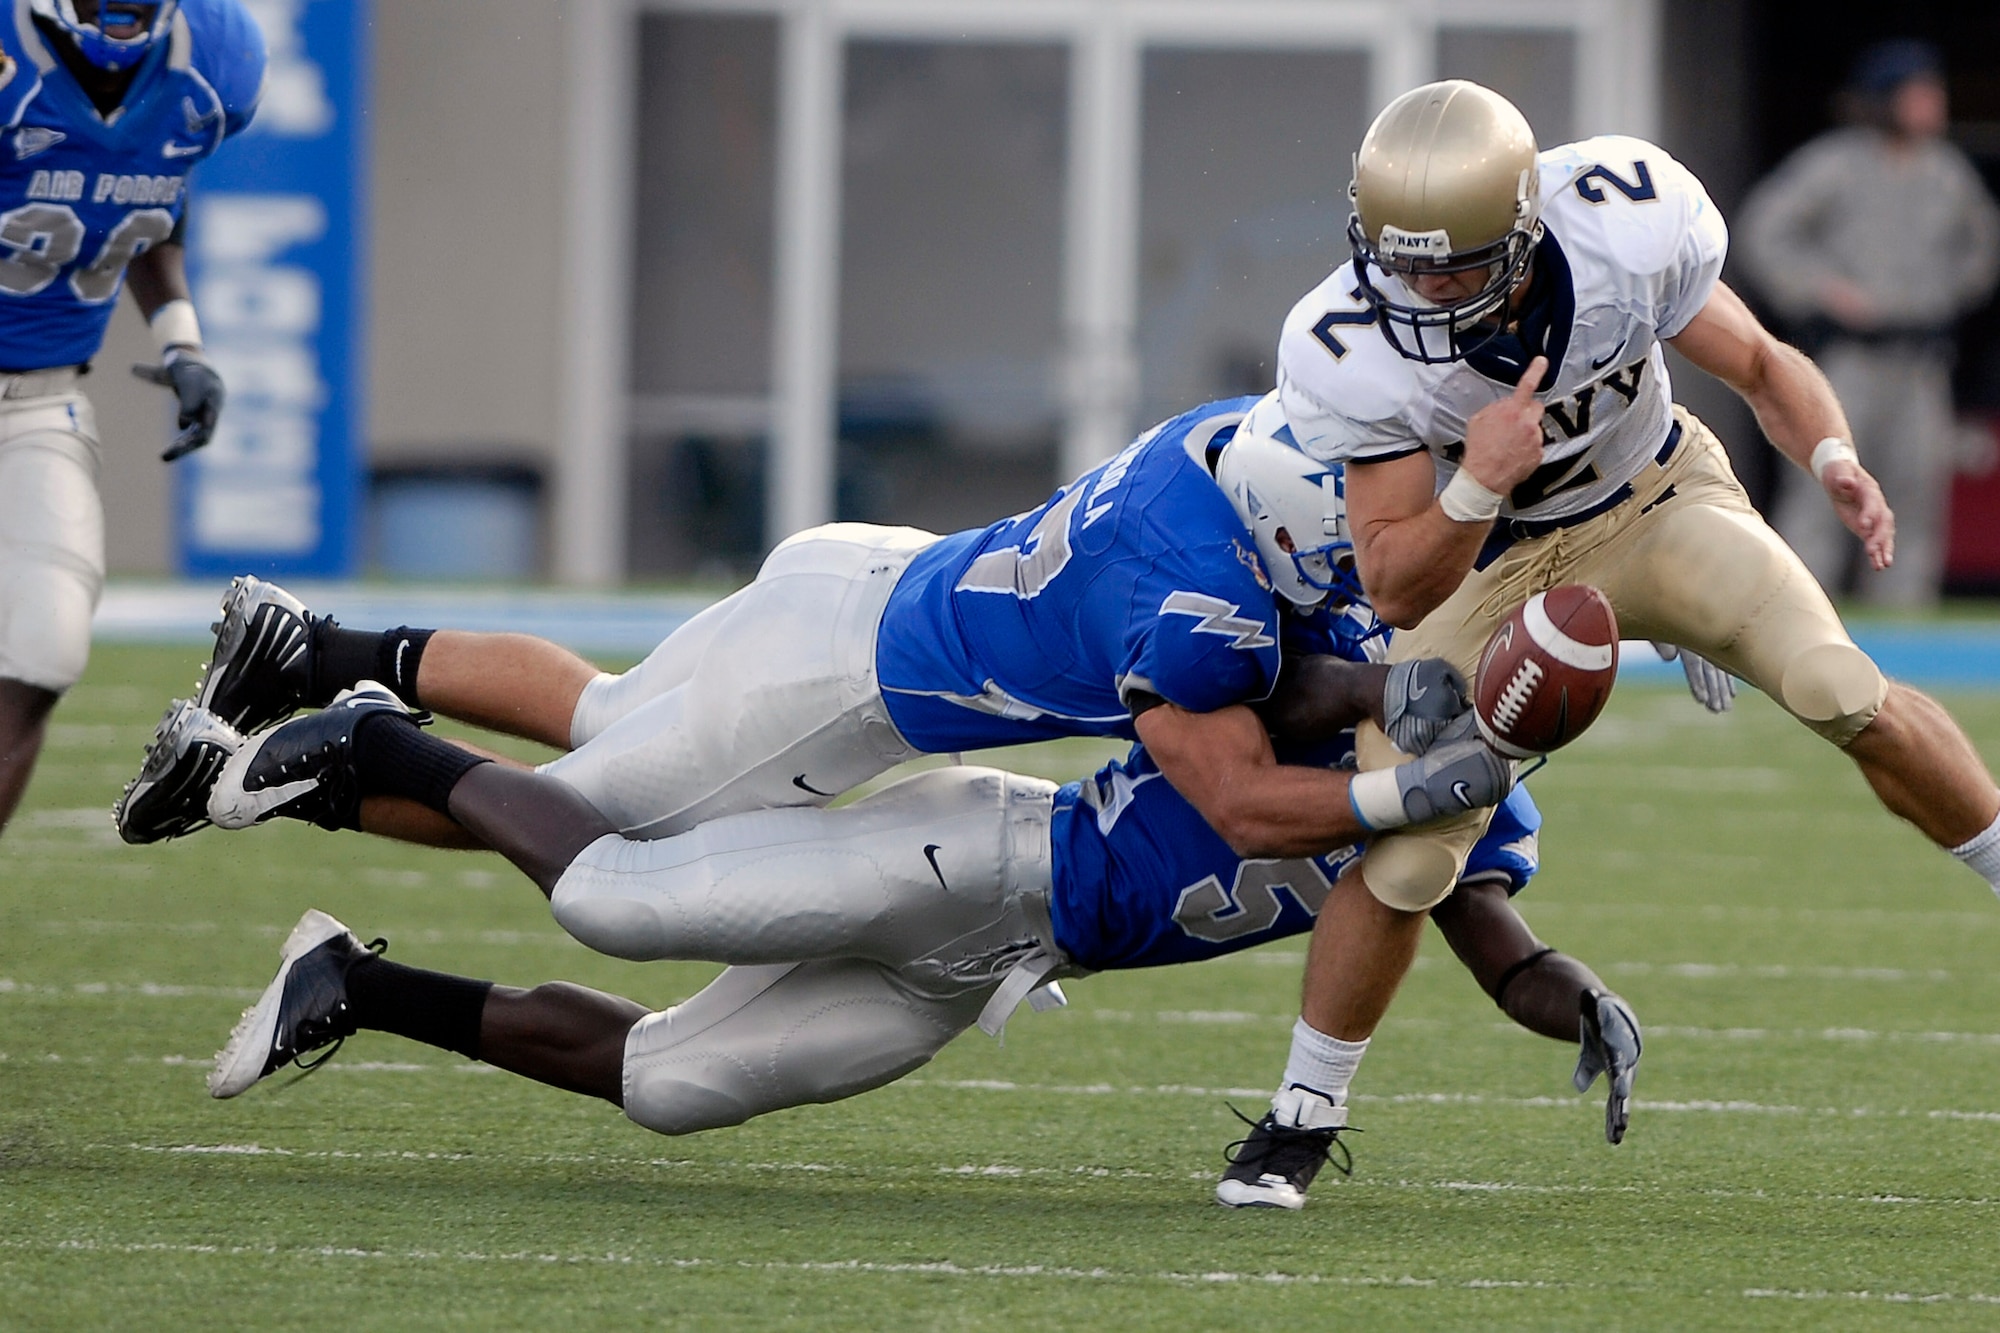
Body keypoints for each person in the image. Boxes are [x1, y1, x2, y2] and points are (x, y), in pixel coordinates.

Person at [1214, 78, 2000, 1210]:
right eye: (1405, 262)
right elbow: (1392, 581)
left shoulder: (1624, 222)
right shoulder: (1347, 343)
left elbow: (1765, 365)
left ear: (1527, 228)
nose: (1425, 289)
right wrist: (1480, 477)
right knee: (1410, 844)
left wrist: (1831, 459)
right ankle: (1300, 1116)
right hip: (1491, 564)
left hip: (1660, 502)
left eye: (1456, 264)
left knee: (1838, 684)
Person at [188, 604, 1637, 1208]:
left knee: (673, 1085)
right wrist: (1392, 699)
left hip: (998, 963)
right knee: (618, 900)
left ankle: (360, 986)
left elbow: (1492, 941)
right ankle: (381, 739)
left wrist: (1584, 1003)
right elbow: (1266, 694)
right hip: (983, 858)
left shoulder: (1477, 808)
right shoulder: (1339, 666)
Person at [121, 397, 1516, 881]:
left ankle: (306, 641)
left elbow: (1291, 642)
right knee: (576, 832)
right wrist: (1402, 781)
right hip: (830, 691)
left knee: (606, 712)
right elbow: (1235, 787)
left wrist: (1401, 671)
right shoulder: (1198, 606)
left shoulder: (1215, 451)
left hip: (853, 583)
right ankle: (285, 769)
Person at [0, 0, 260, 836]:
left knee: (42, 649)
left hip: (36, 400)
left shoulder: (215, 60)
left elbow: (141, 189)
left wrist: (182, 338)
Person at [1740, 39, 2000, 607]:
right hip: (1850, 358)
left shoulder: (1947, 172)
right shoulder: (1835, 163)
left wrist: (1943, 295)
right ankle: (1797, 608)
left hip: (1921, 360)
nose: (1933, 103)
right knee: (1824, 478)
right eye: (1918, 93)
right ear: (1886, 100)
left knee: (1915, 492)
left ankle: (1903, 621)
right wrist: (1821, 289)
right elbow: (1765, 229)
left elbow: (1983, 250)